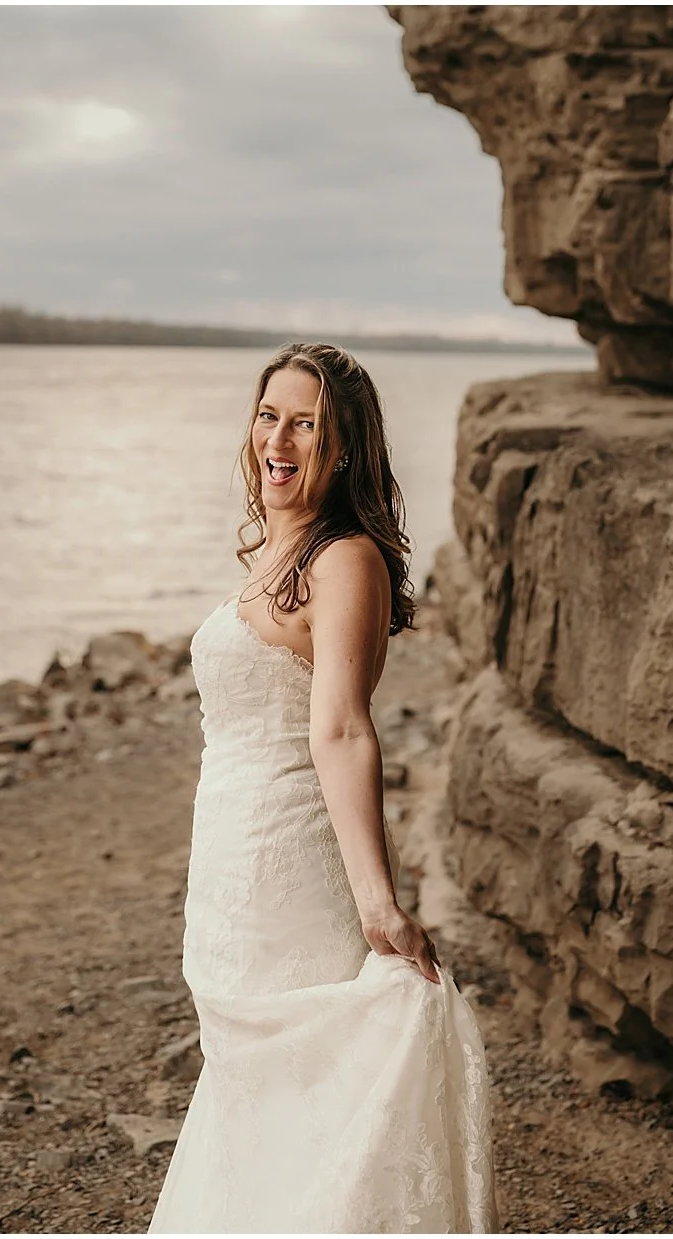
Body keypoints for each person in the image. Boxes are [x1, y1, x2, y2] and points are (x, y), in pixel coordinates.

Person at [149, 343, 493, 1233]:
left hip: (289, 865)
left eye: (307, 423)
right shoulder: (276, 547)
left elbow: (340, 726)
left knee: (303, 1078)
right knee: (248, 1081)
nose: (280, 438)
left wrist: (380, 901)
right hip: (228, 860)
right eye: (270, 415)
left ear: (343, 448)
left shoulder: (345, 560)